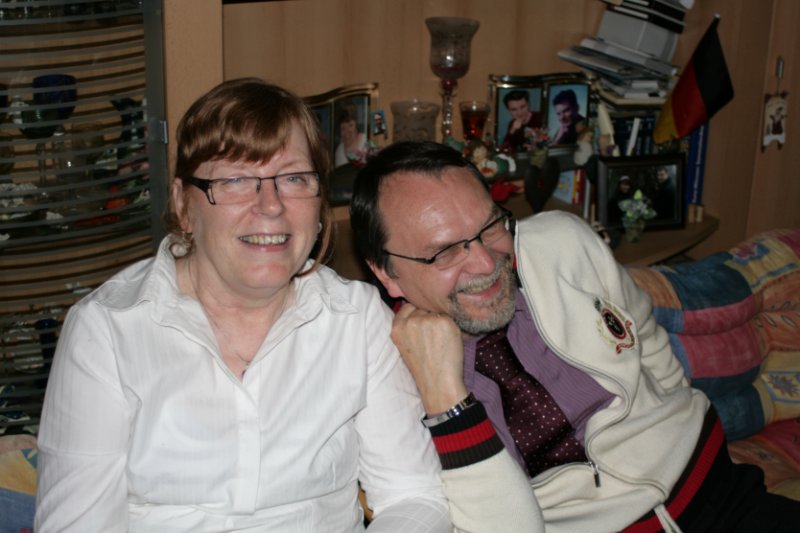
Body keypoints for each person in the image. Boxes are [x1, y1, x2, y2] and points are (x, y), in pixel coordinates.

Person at [34, 80, 451, 533]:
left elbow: (414, 497)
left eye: (294, 178)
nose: (270, 206)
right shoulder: (106, 330)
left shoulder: (357, 319)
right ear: (184, 205)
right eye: (234, 180)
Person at [349, 140, 800, 532]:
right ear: (386, 273)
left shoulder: (563, 243)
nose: (486, 263)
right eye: (446, 251)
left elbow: (647, 338)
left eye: (490, 227)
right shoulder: (387, 375)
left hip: (722, 491)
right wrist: (448, 403)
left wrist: (679, 428)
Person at [499, 90, 541, 154]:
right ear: (509, 111)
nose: (519, 113)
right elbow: (504, 151)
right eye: (514, 109)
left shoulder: (540, 118)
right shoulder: (512, 124)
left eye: (523, 107)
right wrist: (512, 130)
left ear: (528, 105)